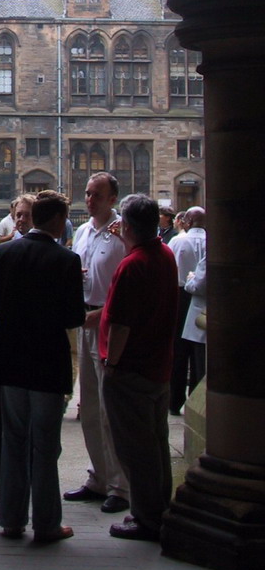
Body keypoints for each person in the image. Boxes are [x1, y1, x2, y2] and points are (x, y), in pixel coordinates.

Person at [0, 190, 85, 543]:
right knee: (45, 446)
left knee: (13, 440)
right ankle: (46, 523)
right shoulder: (66, 261)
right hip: (46, 363)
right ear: (58, 220)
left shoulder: (2, 252)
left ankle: (11, 519)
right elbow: (74, 317)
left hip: (10, 358)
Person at [100, 194, 178, 541]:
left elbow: (120, 324)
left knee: (135, 450)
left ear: (128, 226)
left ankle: (146, 518)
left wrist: (112, 364)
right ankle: (160, 509)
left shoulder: (131, 266)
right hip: (158, 367)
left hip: (130, 369)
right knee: (156, 443)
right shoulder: (164, 254)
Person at [64, 172, 130, 514]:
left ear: (112, 199)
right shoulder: (84, 231)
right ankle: (99, 477)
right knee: (88, 406)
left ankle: (121, 485)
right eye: (87, 193)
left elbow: (128, 289)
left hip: (107, 322)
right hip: (83, 319)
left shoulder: (122, 236)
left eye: (97, 195)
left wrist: (103, 314)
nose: (89, 200)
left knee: (109, 409)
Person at [0, 193, 37, 480]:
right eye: (18, 215)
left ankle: (24, 458)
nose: (21, 220)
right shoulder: (2, 253)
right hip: (7, 336)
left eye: (27, 215)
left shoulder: (59, 255)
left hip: (36, 341)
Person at [169, 207, 204, 413]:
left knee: (178, 352)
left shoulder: (178, 241)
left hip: (180, 295)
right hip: (204, 299)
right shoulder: (212, 241)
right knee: (199, 353)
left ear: (188, 221)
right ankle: (197, 402)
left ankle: (175, 402)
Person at [181, 210, 207, 394]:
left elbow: (198, 285)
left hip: (199, 312)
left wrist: (190, 279)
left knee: (198, 362)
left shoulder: (178, 241)